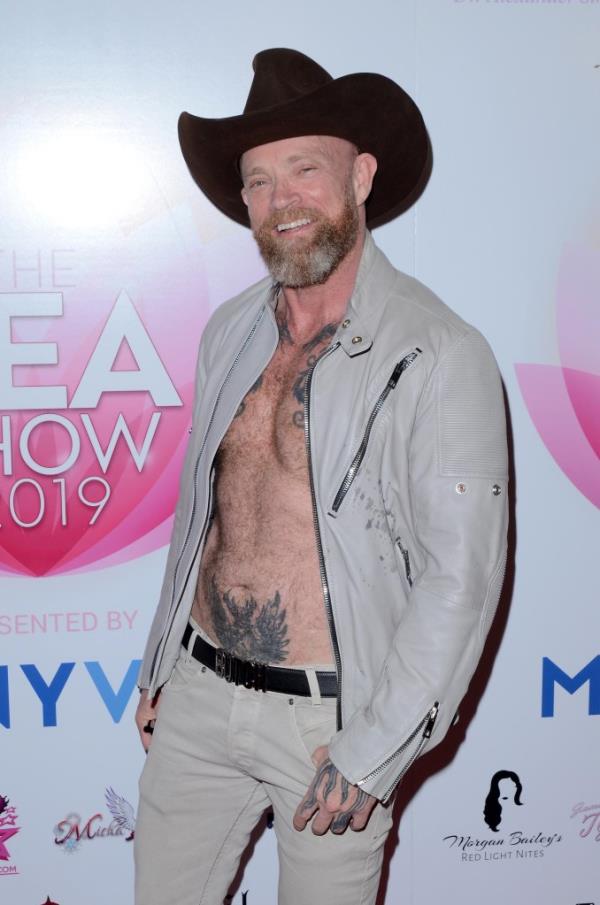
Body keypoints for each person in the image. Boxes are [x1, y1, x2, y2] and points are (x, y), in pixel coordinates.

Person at [134, 47, 509, 905]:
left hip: (330, 728)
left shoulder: (440, 353)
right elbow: (208, 513)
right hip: (197, 695)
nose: (280, 199)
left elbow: (461, 581)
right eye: (259, 180)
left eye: (306, 168)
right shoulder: (230, 329)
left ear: (363, 175)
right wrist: (161, 661)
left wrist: (372, 750)